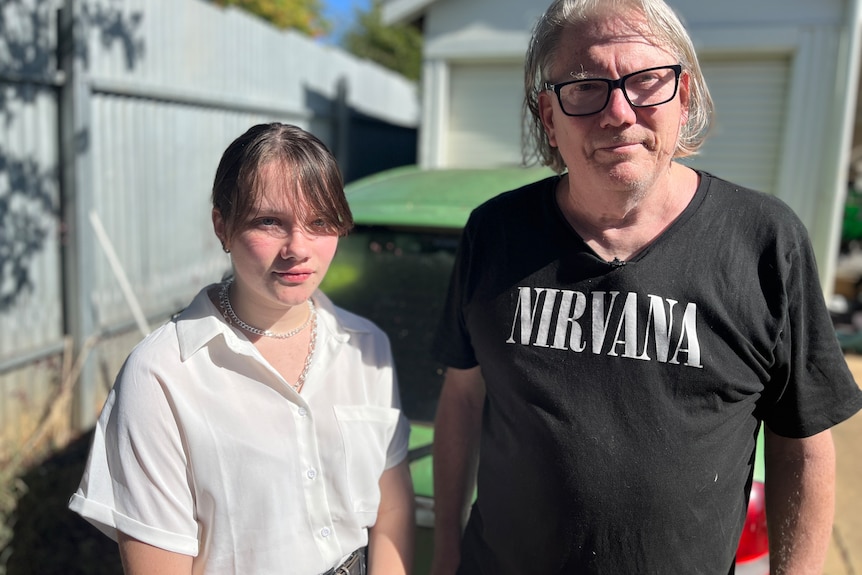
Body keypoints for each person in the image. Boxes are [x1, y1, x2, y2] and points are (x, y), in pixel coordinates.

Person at [429, 0, 862, 573]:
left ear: (683, 99)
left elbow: (802, 441)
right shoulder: (494, 232)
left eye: (647, 82)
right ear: (547, 117)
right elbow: (462, 396)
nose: (618, 112)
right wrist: (445, 555)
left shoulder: (763, 240)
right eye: (584, 86)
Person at [69, 123, 415, 575]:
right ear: (223, 226)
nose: (298, 248)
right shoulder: (161, 376)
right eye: (269, 221)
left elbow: (391, 511)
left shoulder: (367, 349)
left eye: (319, 222)